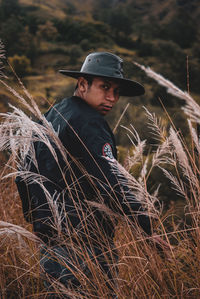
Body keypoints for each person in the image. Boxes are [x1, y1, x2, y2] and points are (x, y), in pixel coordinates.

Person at [16, 52, 151, 297]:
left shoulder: (54, 114)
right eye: (105, 87)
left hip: (51, 245)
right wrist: (147, 228)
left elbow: (23, 173)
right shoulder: (90, 123)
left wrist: (38, 223)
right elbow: (112, 183)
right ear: (82, 84)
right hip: (87, 246)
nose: (111, 98)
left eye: (116, 91)